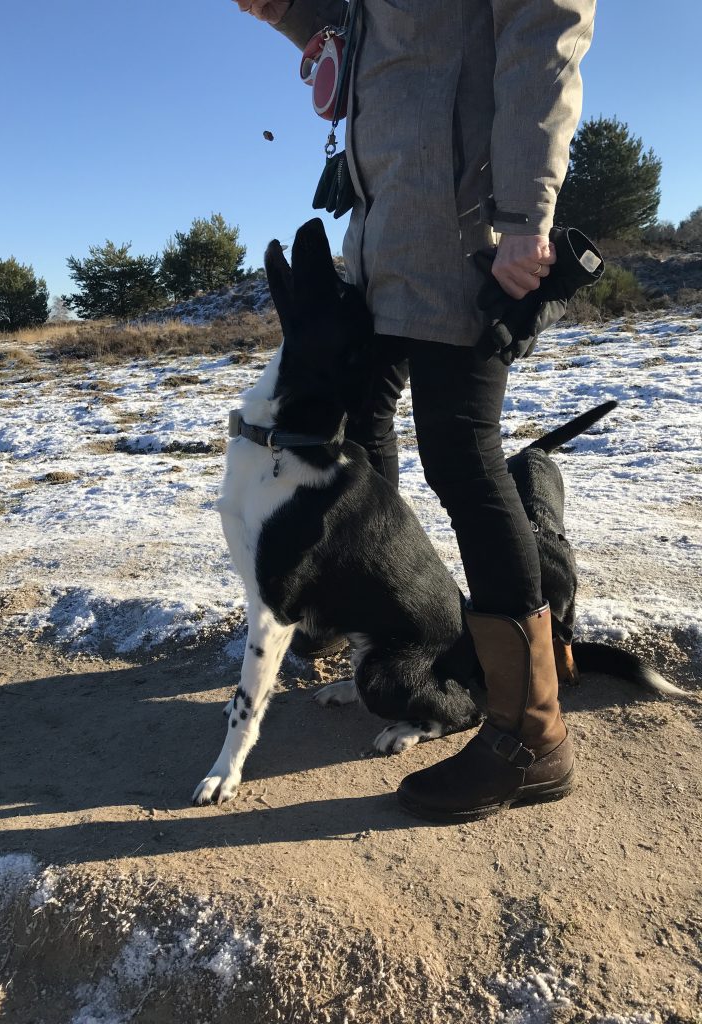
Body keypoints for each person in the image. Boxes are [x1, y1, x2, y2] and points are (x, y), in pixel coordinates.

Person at [232, 0, 596, 821]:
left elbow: (546, 27)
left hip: (467, 229)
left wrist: (525, 214)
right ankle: (369, 623)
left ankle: (529, 736)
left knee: (461, 456)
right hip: (385, 227)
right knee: (362, 426)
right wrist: (291, 13)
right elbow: (381, 31)